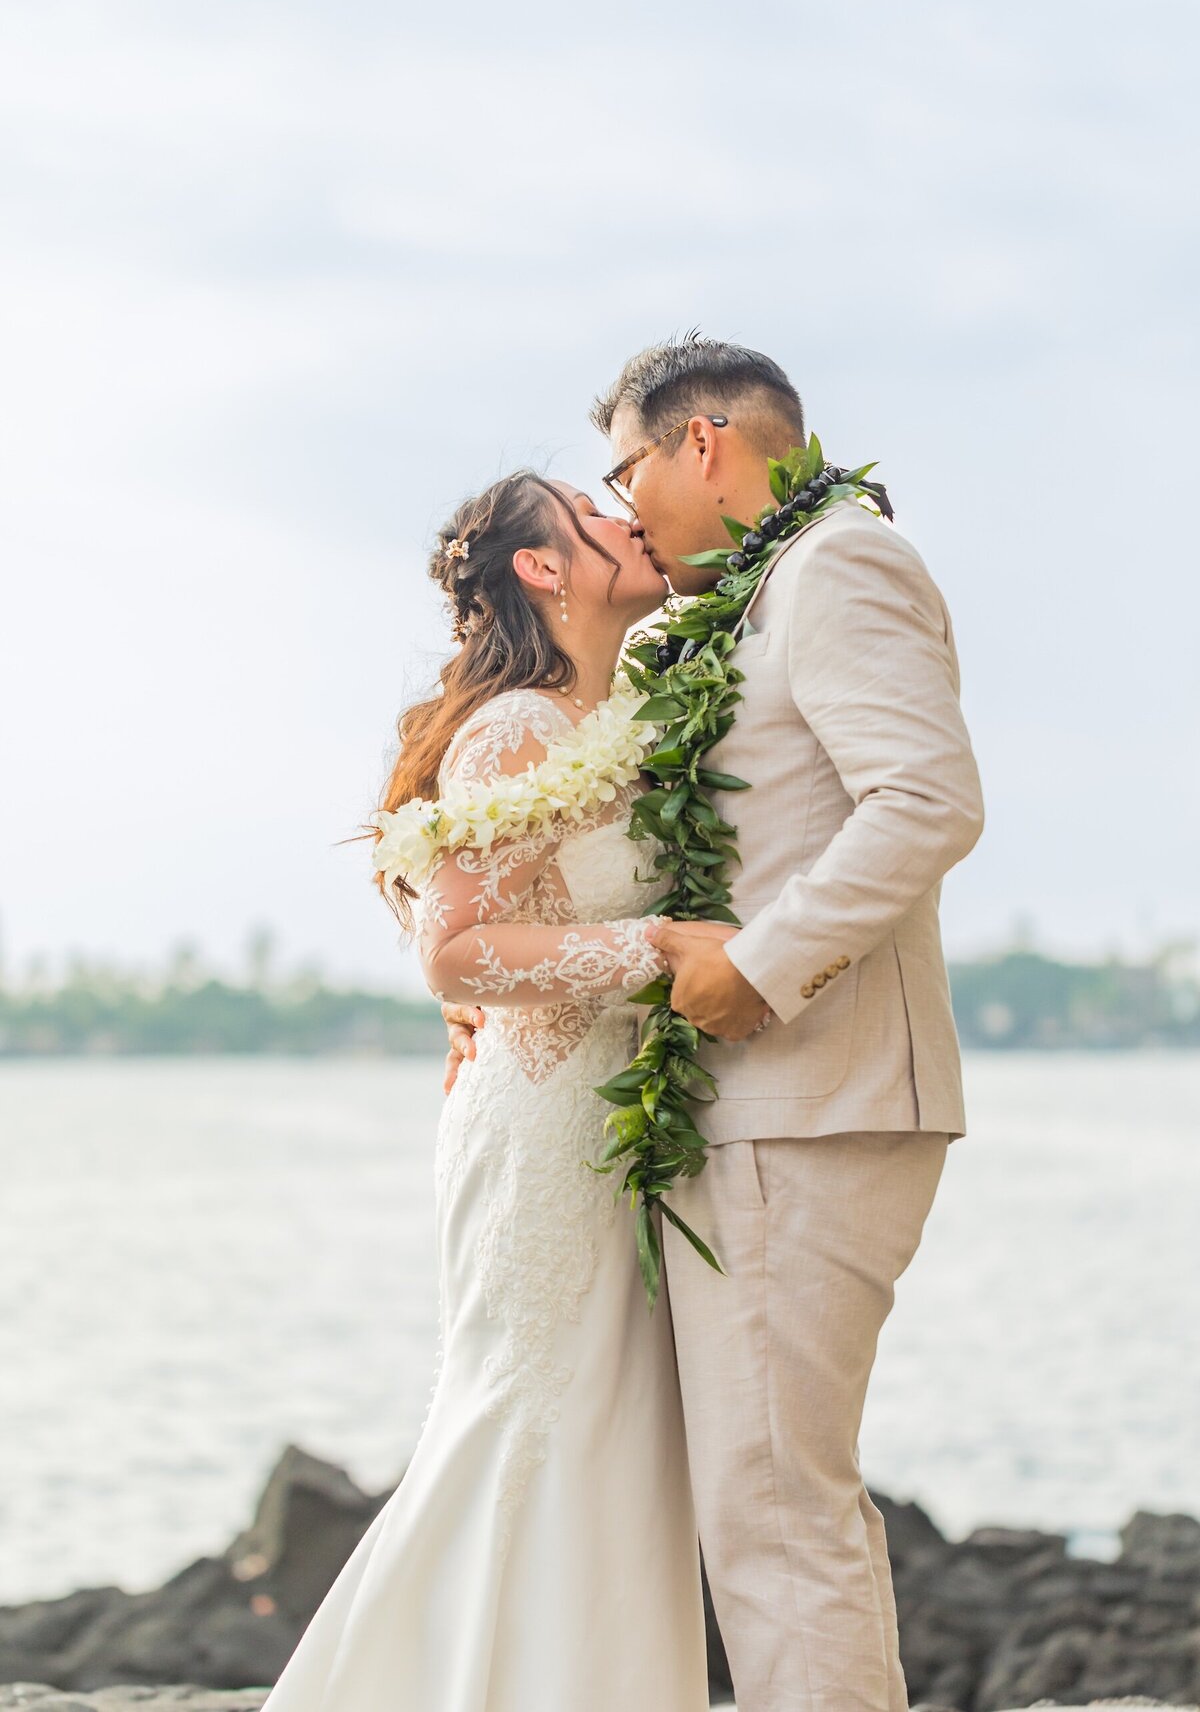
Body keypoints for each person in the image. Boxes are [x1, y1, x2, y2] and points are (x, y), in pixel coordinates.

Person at [442, 336, 986, 1712]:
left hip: (810, 1096)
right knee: (766, 1506)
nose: (623, 504)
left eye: (626, 468)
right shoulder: (735, 606)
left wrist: (764, 966)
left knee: (774, 1513)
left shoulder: (838, 566)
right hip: (750, 1107)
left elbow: (926, 800)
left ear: (702, 445)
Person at [260, 470, 710, 1711]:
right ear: (543, 569)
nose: (627, 516)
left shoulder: (619, 708)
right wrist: (664, 955)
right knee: (532, 1422)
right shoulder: (514, 729)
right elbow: (455, 954)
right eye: (592, 512)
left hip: (615, 1122)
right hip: (547, 1124)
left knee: (611, 1440)